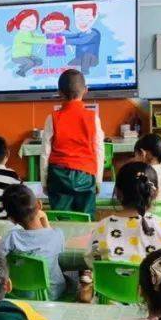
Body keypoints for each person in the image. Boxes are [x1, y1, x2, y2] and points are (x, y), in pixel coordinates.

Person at [87, 162, 161, 266]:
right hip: (156, 282)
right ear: (156, 193)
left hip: (109, 282)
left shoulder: (102, 228)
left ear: (118, 192)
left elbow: (92, 263)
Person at [42, 69, 105, 216]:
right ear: (85, 90)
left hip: (58, 176)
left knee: (61, 219)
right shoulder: (93, 118)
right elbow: (99, 151)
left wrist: (44, 182)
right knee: (86, 219)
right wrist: (98, 181)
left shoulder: (52, 118)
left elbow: (45, 153)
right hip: (85, 174)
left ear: (59, 93)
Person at [0, 183, 69, 301]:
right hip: (53, 293)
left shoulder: (12, 237)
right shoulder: (57, 234)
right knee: (73, 274)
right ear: (39, 204)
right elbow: (50, 239)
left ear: (12, 219)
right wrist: (45, 222)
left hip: (20, 293)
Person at [6, 8, 42, 77]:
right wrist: (47, 41)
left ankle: (24, 66)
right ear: (19, 22)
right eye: (26, 21)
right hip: (18, 57)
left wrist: (46, 38)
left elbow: (36, 37)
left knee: (39, 61)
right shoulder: (21, 34)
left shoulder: (29, 33)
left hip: (26, 56)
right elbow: (33, 40)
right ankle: (21, 72)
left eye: (32, 22)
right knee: (31, 63)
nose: (29, 24)